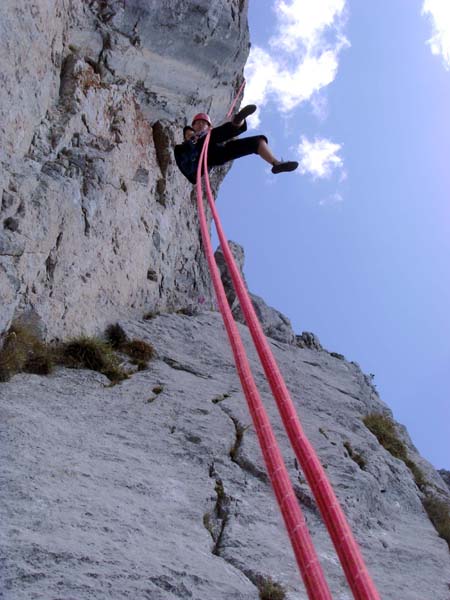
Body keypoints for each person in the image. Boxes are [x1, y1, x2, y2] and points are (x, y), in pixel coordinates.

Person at [174, 105, 298, 184]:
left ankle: (276, 163)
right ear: (193, 125)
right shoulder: (191, 132)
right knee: (214, 136)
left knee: (256, 141)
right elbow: (188, 133)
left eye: (203, 123)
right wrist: (192, 135)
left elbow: (214, 136)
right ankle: (237, 122)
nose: (200, 125)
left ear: (208, 126)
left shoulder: (210, 134)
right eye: (198, 123)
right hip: (191, 158)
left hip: (210, 158)